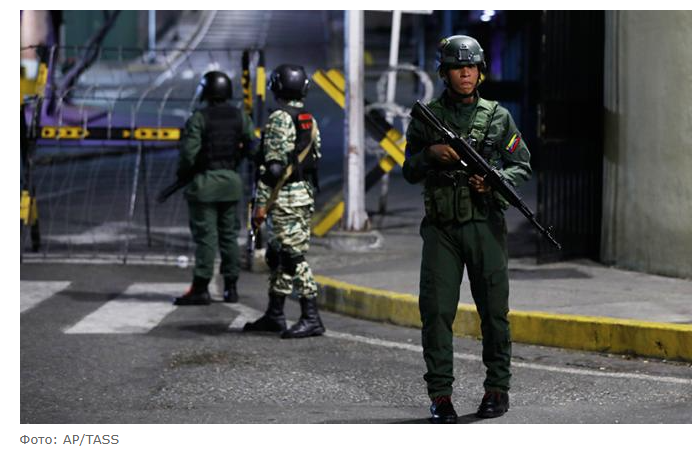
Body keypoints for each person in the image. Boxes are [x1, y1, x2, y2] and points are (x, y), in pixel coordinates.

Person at [402, 35, 532, 422]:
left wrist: (494, 182)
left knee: (494, 312)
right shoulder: (427, 117)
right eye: (458, 67)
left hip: (484, 226)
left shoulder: (497, 117)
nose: (465, 73)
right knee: (436, 312)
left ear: (480, 72)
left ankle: (497, 389)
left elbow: (521, 165)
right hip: (441, 229)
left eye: (471, 67)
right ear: (444, 73)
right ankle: (441, 396)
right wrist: (430, 154)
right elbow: (409, 170)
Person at [243, 64, 324, 339]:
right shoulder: (307, 118)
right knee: (279, 254)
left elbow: (274, 169)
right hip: (302, 194)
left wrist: (260, 205)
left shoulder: (279, 118)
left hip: (284, 197)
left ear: (277, 87)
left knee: (292, 256)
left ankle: (311, 317)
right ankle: (275, 313)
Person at [173, 71, 256, 306]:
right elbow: (252, 146)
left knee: (206, 237)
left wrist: (183, 173)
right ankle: (231, 287)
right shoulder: (240, 117)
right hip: (231, 183)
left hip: (205, 185)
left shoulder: (199, 118)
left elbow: (188, 154)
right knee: (229, 236)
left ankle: (201, 287)